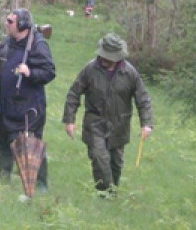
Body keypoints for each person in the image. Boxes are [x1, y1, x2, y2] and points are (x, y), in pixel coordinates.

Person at [62, 32, 153, 197]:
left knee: (115, 164)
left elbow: (143, 99)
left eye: (108, 57)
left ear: (118, 57)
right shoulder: (90, 69)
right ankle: (104, 194)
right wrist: (70, 120)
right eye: (103, 55)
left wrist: (146, 123)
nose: (104, 60)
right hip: (94, 123)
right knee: (99, 158)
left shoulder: (130, 73)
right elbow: (74, 94)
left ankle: (113, 193)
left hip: (120, 125)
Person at [0, 8, 56, 190]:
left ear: (22, 24)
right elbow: (3, 62)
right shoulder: (8, 42)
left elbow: (49, 72)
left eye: (10, 21)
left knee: (30, 144)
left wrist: (30, 72)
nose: (6, 23)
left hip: (28, 106)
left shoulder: (38, 45)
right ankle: (3, 178)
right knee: (2, 140)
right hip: (5, 103)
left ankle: (40, 185)